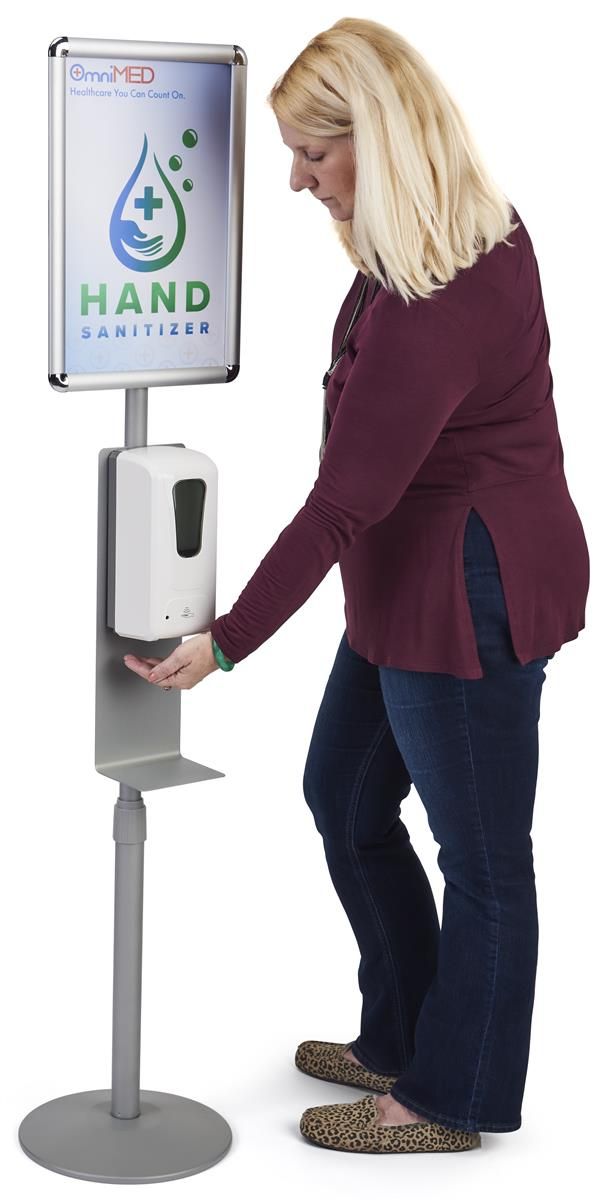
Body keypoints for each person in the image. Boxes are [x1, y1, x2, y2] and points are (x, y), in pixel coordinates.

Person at [123, 17, 590, 1154]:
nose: (294, 180)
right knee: (342, 795)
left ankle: (448, 1098)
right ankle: (402, 1033)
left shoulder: (440, 300)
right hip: (401, 582)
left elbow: (343, 501)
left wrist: (225, 641)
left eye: (312, 156)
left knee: (481, 861)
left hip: (465, 597)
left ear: (376, 143)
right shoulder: (429, 250)